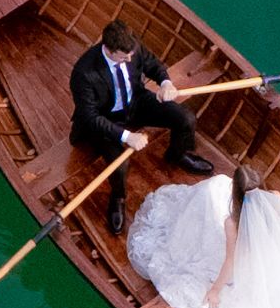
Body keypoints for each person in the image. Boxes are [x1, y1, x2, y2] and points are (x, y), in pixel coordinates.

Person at [62, 18, 213, 187]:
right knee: (119, 162)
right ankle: (118, 199)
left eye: (131, 54)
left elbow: (154, 66)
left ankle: (177, 154)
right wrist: (127, 136)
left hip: (135, 102)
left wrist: (166, 84)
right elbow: (90, 116)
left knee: (186, 118)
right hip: (105, 118)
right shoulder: (84, 72)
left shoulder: (132, 48)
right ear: (108, 49)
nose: (128, 59)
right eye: (123, 57)